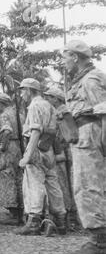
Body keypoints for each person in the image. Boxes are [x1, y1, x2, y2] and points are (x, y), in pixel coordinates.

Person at [60, 40, 106, 254]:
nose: (63, 62)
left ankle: (100, 241)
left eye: (65, 57)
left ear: (75, 57)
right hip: (80, 134)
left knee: (89, 186)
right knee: (83, 186)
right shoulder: (80, 80)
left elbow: (103, 111)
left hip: (90, 134)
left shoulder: (91, 79)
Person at [13, 79, 67, 236]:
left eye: (23, 91)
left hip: (36, 148)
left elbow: (35, 131)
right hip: (48, 149)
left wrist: (27, 156)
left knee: (34, 184)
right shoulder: (49, 106)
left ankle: (34, 222)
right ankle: (61, 220)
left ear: (30, 90)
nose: (22, 94)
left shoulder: (35, 106)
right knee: (53, 184)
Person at [43, 87, 79, 230]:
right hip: (62, 151)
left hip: (64, 152)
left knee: (64, 183)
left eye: (49, 97)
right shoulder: (57, 112)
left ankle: (70, 216)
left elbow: (68, 134)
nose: (47, 100)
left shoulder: (62, 112)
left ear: (56, 99)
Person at [0, 93, 25, 226]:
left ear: (1, 104)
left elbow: (6, 130)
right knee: (19, 178)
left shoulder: (5, 115)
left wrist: (2, 146)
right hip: (19, 147)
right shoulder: (19, 115)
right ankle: (21, 210)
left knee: (8, 178)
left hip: (9, 148)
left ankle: (13, 213)